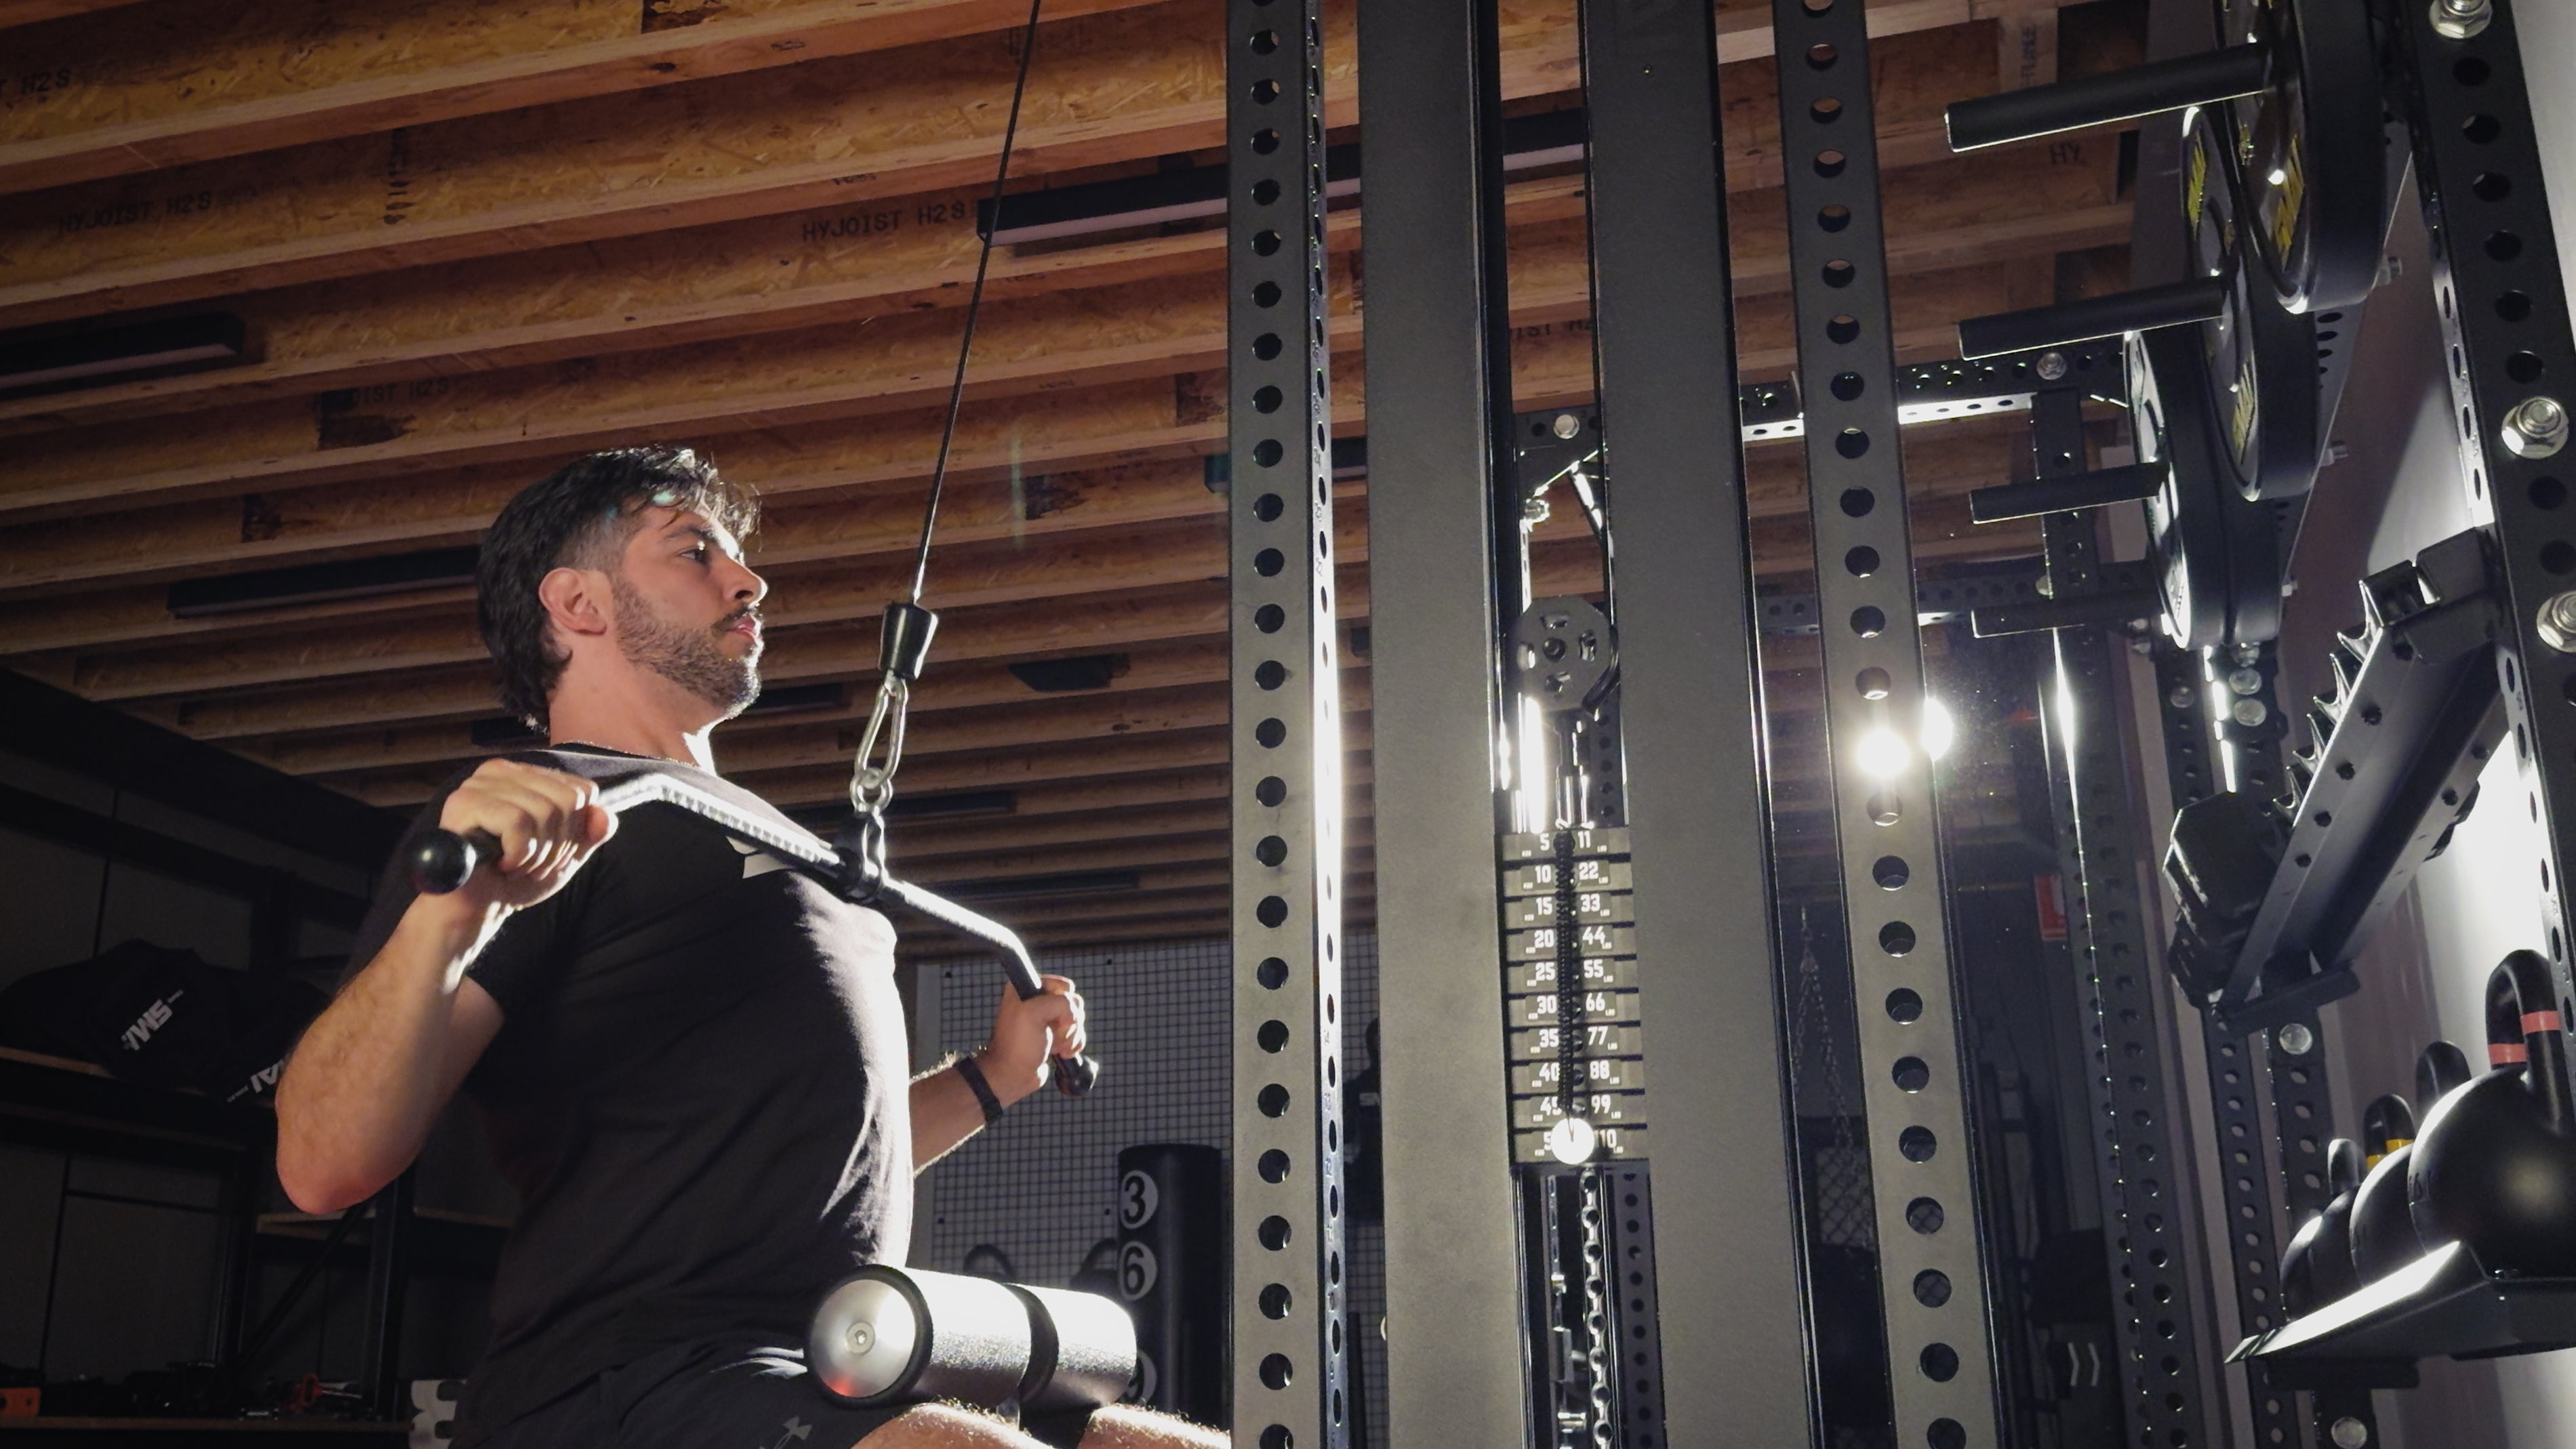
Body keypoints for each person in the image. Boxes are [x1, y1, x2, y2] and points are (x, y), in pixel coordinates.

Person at [275, 447, 1221, 1449]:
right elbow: (320, 1166)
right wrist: (448, 919)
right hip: (623, 1380)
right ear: (578, 602)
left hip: (822, 1359)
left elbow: (823, 1150)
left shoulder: (791, 847)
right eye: (696, 551)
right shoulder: (541, 812)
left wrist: (989, 1080)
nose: (750, 577)